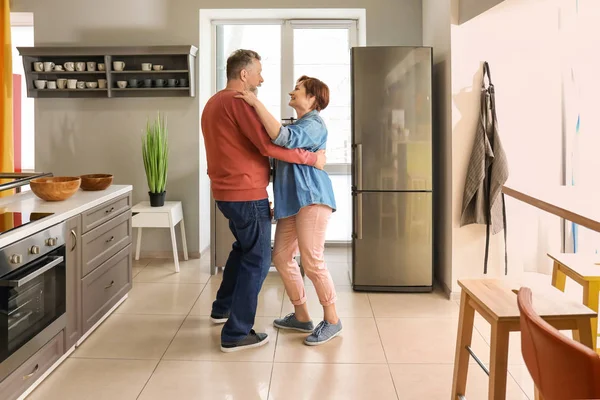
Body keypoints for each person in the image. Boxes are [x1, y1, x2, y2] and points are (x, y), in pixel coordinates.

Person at [201, 50, 326, 353]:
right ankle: (236, 333)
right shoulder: (239, 102)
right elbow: (269, 145)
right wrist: (311, 158)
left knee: (242, 249)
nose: (262, 78)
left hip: (225, 193)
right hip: (246, 193)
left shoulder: (213, 102)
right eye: (258, 71)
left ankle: (222, 308)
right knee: (257, 259)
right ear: (243, 75)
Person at [235, 75, 341, 346]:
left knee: (312, 260)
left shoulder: (314, 124)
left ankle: (332, 320)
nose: (292, 92)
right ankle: (302, 315)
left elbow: (282, 139)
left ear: (313, 98)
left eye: (298, 89)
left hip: (312, 199)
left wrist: (255, 103)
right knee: (281, 258)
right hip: (291, 203)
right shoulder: (299, 122)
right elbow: (274, 149)